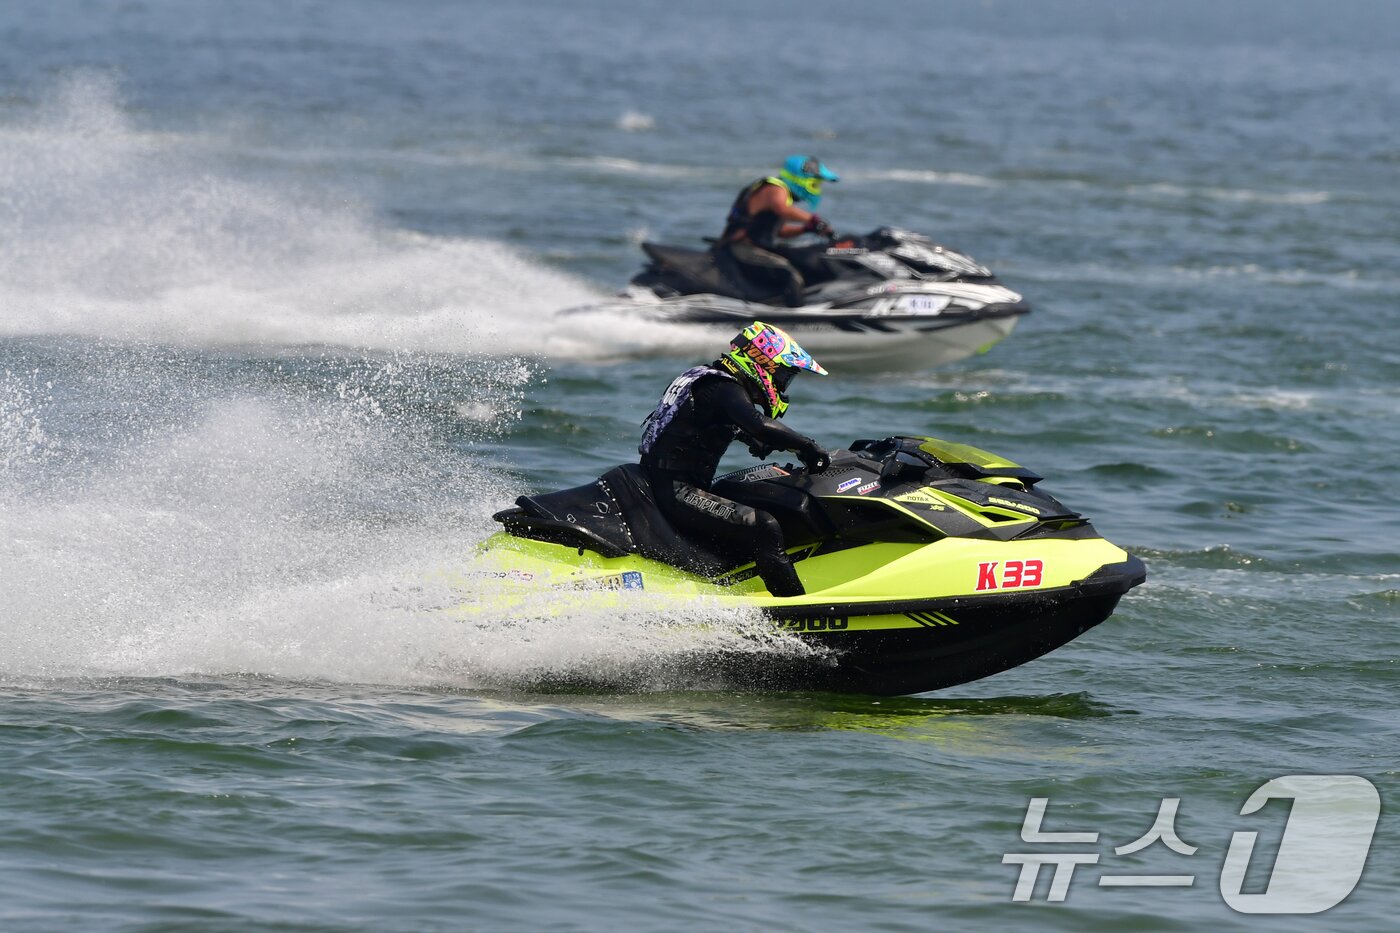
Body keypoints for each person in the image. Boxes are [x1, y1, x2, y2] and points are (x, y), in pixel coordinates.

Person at [639, 321, 831, 597]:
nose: (783, 383)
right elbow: (757, 424)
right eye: (784, 374)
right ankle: (793, 608)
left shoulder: (706, 379)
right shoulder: (723, 388)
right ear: (761, 361)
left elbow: (741, 432)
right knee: (764, 525)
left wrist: (773, 446)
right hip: (676, 490)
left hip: (664, 482)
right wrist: (808, 446)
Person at [714, 155, 840, 307]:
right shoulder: (775, 188)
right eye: (814, 184)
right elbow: (782, 208)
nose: (817, 189)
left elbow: (780, 231)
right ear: (800, 179)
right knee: (790, 274)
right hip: (741, 248)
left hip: (756, 248)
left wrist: (806, 229)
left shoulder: (783, 194)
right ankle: (797, 318)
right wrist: (814, 220)